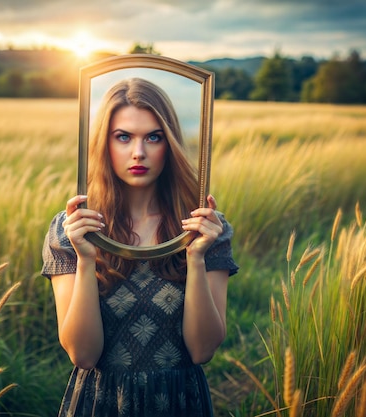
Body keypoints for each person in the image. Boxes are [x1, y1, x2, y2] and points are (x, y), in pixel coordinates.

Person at [42, 77, 238, 417]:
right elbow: (83, 355)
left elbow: (202, 350)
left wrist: (195, 257)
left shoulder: (206, 228)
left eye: (153, 136)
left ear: (170, 143)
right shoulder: (71, 229)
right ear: (104, 143)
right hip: (101, 404)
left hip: (180, 403)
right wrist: (86, 261)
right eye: (123, 137)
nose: (138, 152)